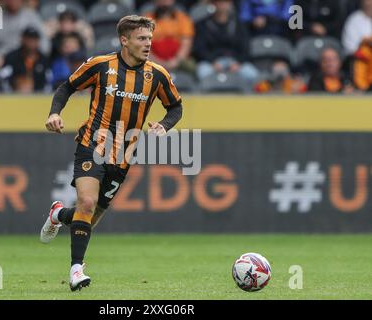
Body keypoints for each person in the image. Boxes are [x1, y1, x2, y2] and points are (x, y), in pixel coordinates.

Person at [40, 15, 183, 292]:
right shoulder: (101, 65)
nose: (148, 44)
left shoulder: (158, 75)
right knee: (87, 201)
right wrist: (54, 113)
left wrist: (164, 126)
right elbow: (67, 87)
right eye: (142, 38)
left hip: (124, 155)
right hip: (93, 144)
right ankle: (76, 270)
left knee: (89, 217)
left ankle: (58, 214)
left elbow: (176, 107)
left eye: (150, 39)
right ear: (124, 40)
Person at [193, 0, 259, 87]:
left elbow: (246, 48)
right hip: (211, 62)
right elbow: (200, 49)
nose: (223, 5)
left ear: (230, 3)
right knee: (203, 72)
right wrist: (212, 61)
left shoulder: (239, 24)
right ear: (213, 4)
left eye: (226, 2)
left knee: (252, 74)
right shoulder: (202, 24)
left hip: (235, 61)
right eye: (219, 2)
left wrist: (238, 62)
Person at [144, 0, 195, 72]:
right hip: (152, 62)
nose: (165, 2)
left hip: (179, 62)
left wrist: (176, 61)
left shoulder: (183, 19)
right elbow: (142, 46)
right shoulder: (146, 20)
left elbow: (186, 44)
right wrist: (158, 63)